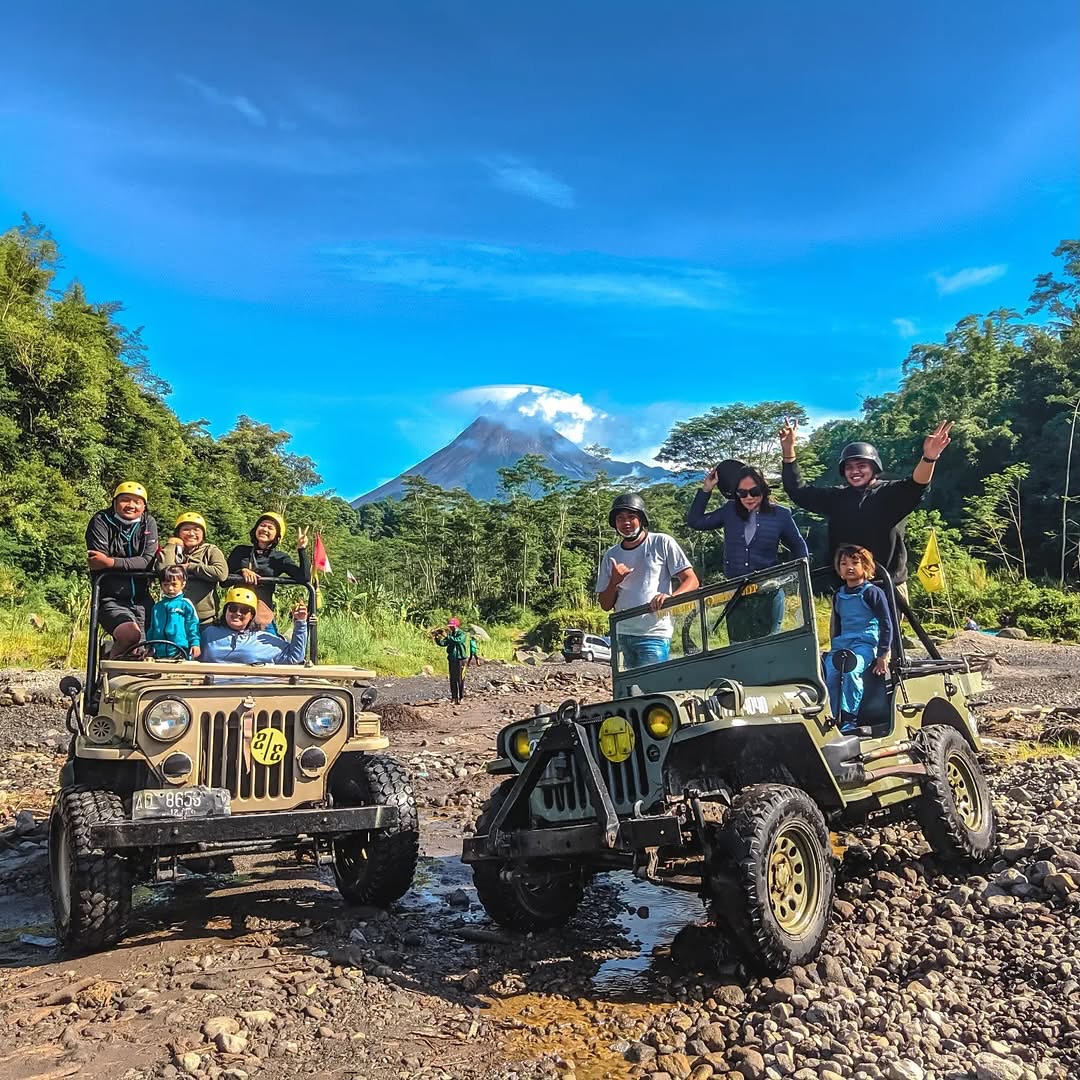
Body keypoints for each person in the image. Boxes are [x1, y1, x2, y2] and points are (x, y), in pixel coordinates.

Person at [779, 419, 954, 598]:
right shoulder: (836, 497)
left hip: (888, 586)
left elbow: (918, 485)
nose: (855, 471)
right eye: (849, 467)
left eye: (861, 466)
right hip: (847, 587)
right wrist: (788, 452)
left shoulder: (891, 493)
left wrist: (929, 457)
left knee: (888, 627)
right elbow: (799, 492)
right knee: (844, 627)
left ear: (874, 467)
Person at [686, 460, 809, 640]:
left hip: (768, 593)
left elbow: (799, 547)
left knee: (770, 648)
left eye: (755, 492)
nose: (749, 497)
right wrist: (706, 489)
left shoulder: (781, 514)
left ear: (764, 490)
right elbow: (695, 521)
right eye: (742, 493)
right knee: (738, 650)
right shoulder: (729, 511)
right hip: (737, 595)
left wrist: (791, 578)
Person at [596, 493, 700, 670]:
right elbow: (605, 605)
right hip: (622, 634)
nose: (626, 523)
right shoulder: (611, 555)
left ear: (642, 519)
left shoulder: (661, 542)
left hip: (654, 633)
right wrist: (614, 581)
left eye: (631, 517)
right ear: (614, 523)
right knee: (627, 694)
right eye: (620, 518)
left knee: (652, 689)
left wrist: (670, 598)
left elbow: (691, 580)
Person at [823, 545, 893, 734]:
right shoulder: (839, 594)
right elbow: (836, 626)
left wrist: (882, 654)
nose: (849, 567)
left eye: (855, 563)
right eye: (844, 564)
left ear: (866, 566)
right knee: (830, 675)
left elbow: (887, 624)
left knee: (851, 672)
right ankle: (832, 717)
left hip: (865, 643)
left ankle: (849, 719)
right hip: (842, 644)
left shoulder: (872, 592)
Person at [86, 481, 160, 656]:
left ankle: (134, 679)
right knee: (130, 635)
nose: (131, 505)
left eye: (137, 502)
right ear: (115, 502)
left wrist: (111, 563)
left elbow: (147, 561)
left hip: (143, 598)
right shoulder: (101, 520)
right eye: (125, 500)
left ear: (144, 506)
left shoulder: (148, 522)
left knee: (147, 647)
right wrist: (133, 563)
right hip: (110, 597)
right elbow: (97, 559)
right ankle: (109, 672)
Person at [226, 513, 310, 631]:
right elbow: (224, 581)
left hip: (262, 615)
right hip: (236, 612)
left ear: (277, 536)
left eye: (270, 528)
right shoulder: (240, 552)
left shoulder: (279, 558)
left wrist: (301, 549)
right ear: (256, 529)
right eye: (262, 525)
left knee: (272, 646)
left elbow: (304, 577)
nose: (265, 529)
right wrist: (242, 572)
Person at [201, 586, 308, 665]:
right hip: (213, 689)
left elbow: (294, 657)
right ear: (225, 611)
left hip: (251, 690)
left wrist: (300, 622)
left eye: (244, 610)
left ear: (251, 616)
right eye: (233, 608)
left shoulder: (259, 638)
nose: (237, 613)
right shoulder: (209, 633)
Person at [160, 512, 229, 625]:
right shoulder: (173, 551)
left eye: (197, 530)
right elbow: (163, 570)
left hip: (204, 619)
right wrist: (171, 544)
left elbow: (221, 573)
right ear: (178, 533)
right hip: (175, 616)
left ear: (203, 534)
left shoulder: (210, 550)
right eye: (186, 529)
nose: (191, 533)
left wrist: (190, 567)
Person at [147, 565, 201, 659]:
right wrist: (149, 646)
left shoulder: (185, 604)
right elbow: (152, 628)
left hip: (180, 651)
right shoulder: (157, 607)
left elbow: (192, 625)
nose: (170, 588)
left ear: (183, 584)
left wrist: (195, 643)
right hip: (159, 653)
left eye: (174, 584)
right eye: (165, 585)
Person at [433, 618, 468, 704]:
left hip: (461, 659)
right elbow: (443, 643)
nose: (451, 628)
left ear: (456, 626)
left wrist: (447, 636)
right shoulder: (450, 635)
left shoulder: (462, 634)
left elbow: (458, 641)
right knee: (452, 679)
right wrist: (437, 638)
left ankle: (461, 697)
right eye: (450, 626)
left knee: (460, 679)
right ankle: (454, 697)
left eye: (452, 626)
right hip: (452, 659)